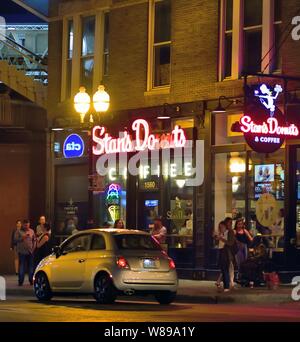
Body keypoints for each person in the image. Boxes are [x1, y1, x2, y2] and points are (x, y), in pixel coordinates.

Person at [215, 220, 236, 292]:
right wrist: (217, 238)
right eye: (220, 227)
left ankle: (227, 286)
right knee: (223, 270)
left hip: (226, 252)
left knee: (226, 269)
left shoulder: (229, 232)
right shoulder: (221, 233)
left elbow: (230, 243)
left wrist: (221, 239)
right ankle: (226, 286)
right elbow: (218, 244)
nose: (221, 228)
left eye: (222, 227)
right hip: (221, 251)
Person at [14, 219, 36, 286]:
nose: (26, 225)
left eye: (28, 224)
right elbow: (15, 240)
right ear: (23, 225)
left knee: (31, 267)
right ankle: (21, 281)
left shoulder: (32, 231)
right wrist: (22, 237)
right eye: (25, 224)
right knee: (22, 266)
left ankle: (31, 280)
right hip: (22, 252)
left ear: (29, 224)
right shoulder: (18, 231)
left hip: (30, 251)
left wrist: (33, 248)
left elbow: (34, 240)